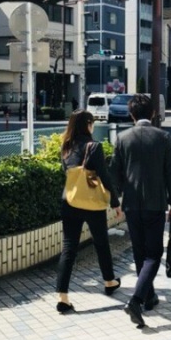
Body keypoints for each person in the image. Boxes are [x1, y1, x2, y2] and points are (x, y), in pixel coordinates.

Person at [110, 94, 171, 328]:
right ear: (152, 114)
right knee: (154, 255)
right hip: (155, 203)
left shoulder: (122, 138)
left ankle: (149, 297)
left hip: (131, 204)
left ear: (131, 115)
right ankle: (137, 300)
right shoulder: (163, 137)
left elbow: (114, 174)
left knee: (140, 252)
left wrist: (116, 202)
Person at [56, 109, 122, 314]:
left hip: (70, 201)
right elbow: (104, 174)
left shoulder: (66, 147)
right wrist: (115, 201)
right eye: (92, 123)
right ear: (87, 125)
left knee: (69, 247)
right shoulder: (94, 146)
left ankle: (63, 297)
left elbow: (68, 172)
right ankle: (109, 281)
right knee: (101, 243)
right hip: (91, 203)